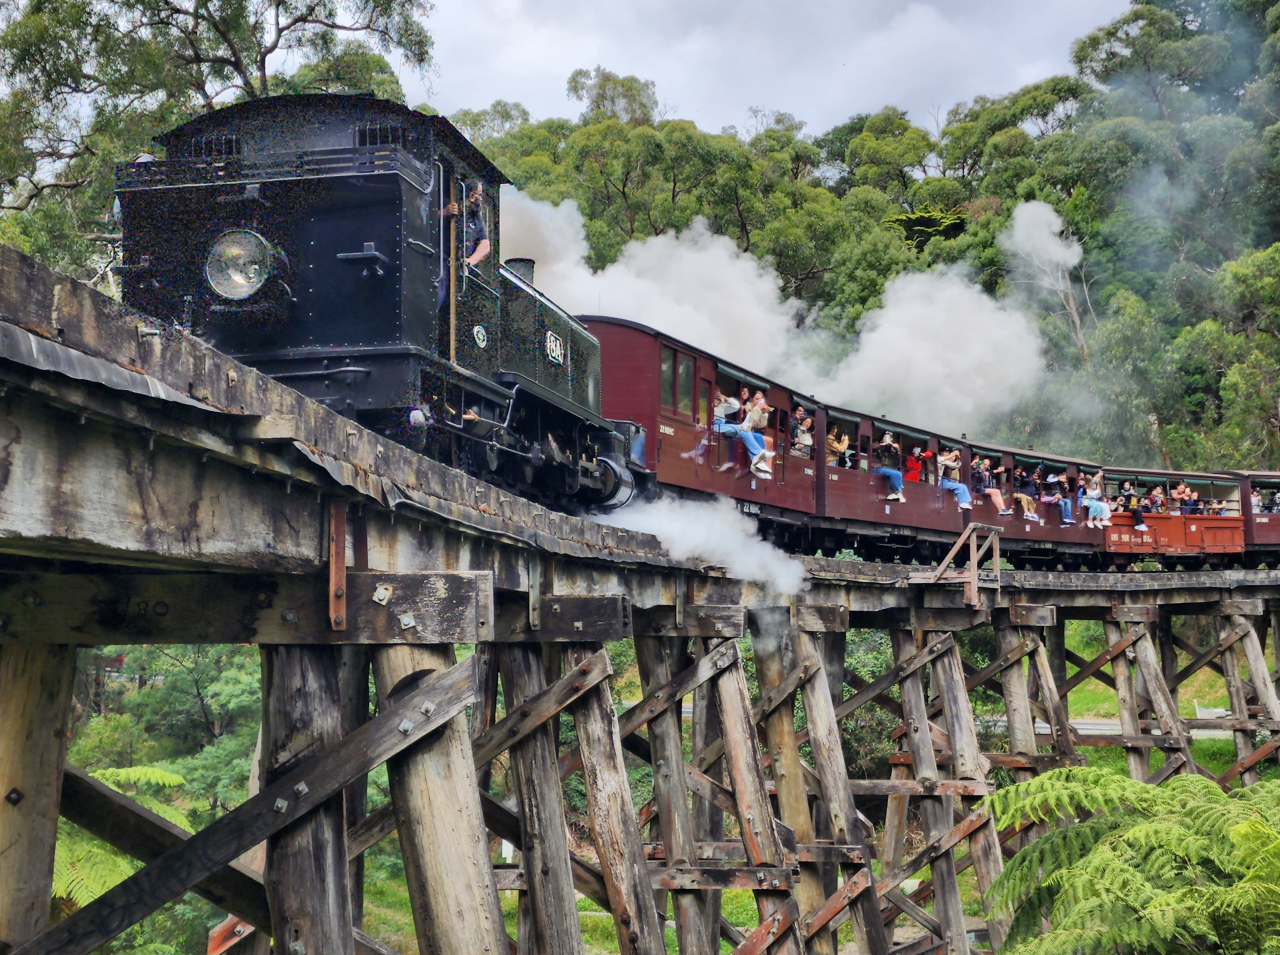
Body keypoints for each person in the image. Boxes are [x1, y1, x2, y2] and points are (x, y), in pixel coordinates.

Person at [438, 183, 491, 313]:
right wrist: (444, 212)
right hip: (440, 259)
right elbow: (421, 218)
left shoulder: (476, 218)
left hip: (460, 267)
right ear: (471, 196)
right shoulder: (444, 202)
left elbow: (485, 244)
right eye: (480, 195)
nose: (481, 199)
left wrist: (470, 261)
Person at [710, 385, 771, 476]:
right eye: (757, 399)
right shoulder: (745, 406)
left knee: (762, 438)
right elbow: (746, 418)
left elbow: (759, 425)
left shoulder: (748, 407)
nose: (759, 401)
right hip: (729, 426)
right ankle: (754, 463)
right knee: (744, 433)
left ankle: (761, 462)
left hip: (737, 427)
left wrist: (763, 413)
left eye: (761, 400)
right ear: (752, 399)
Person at [873, 432, 906, 502]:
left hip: (882, 469)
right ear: (882, 438)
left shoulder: (889, 447)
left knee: (895, 475)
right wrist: (883, 444)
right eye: (885, 437)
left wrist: (896, 448)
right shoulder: (877, 443)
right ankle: (898, 493)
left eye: (889, 438)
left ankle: (892, 494)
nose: (887, 439)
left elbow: (897, 455)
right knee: (897, 474)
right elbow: (873, 446)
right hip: (874, 468)